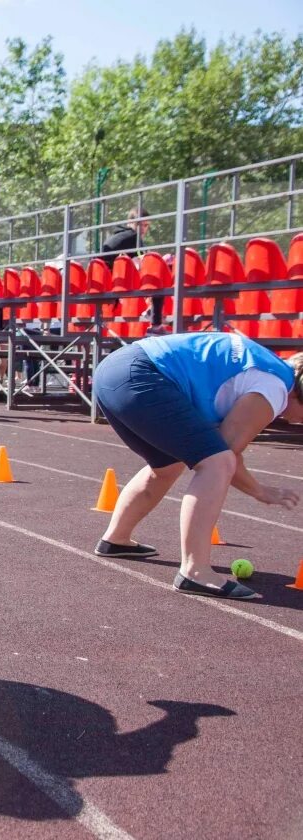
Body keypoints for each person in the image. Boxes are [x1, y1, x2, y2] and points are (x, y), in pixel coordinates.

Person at [92, 333, 303, 600]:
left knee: (167, 465)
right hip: (142, 374)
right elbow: (227, 452)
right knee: (217, 462)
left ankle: (116, 539)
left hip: (115, 370)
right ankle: (195, 571)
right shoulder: (275, 387)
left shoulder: (268, 368)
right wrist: (260, 491)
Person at [98, 208, 156, 326]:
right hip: (116, 286)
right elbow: (144, 263)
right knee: (155, 281)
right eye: (140, 224)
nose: (144, 229)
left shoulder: (116, 236)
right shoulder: (134, 237)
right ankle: (156, 320)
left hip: (103, 285)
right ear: (130, 222)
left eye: (146, 226)